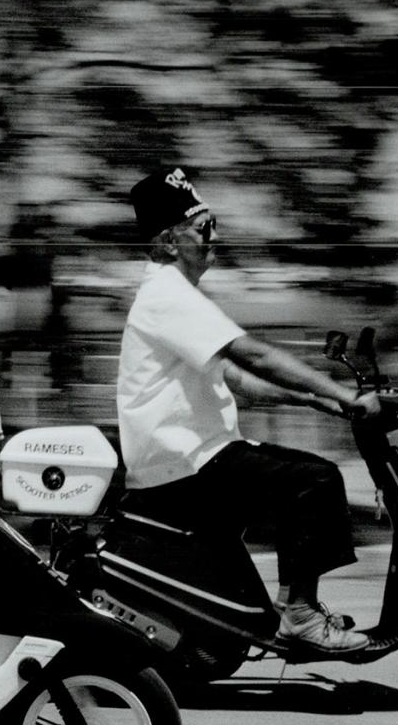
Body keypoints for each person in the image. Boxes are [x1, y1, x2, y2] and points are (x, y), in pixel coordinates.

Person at [115, 168, 381, 652]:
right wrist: (347, 396)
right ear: (169, 242)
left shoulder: (174, 296)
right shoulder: (167, 296)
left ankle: (288, 607)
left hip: (191, 461)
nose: (214, 238)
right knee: (313, 480)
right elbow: (252, 354)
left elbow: (239, 380)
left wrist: (317, 400)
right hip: (186, 467)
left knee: (298, 476)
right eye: (204, 228)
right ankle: (299, 615)